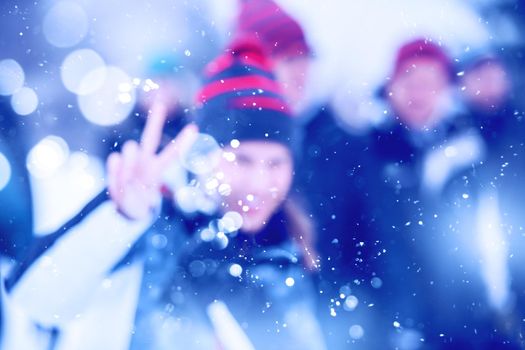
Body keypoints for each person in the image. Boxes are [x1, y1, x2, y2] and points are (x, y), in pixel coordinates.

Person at [8, 39, 326, 350]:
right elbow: (36, 299)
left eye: (275, 163)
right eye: (241, 159)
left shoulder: (293, 250)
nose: (259, 182)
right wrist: (121, 218)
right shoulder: (156, 227)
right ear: (204, 155)